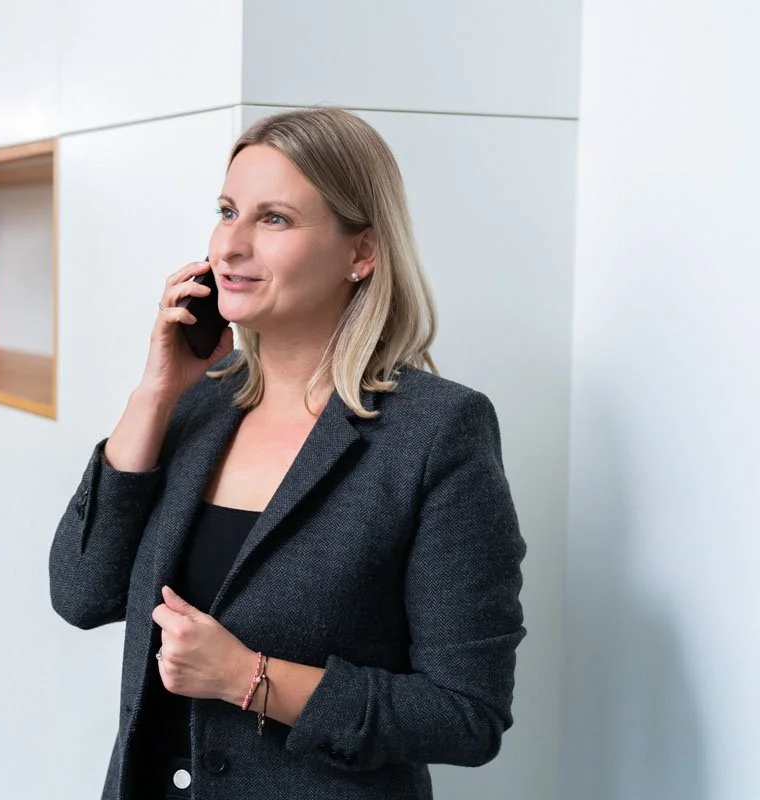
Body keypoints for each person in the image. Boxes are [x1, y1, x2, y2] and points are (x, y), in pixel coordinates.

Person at [49, 107, 526, 800]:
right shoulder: (200, 402)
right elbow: (81, 593)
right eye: (227, 211)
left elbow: (466, 715)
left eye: (274, 219)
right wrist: (155, 393)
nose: (230, 246)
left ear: (361, 253)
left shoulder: (437, 431)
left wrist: (248, 678)